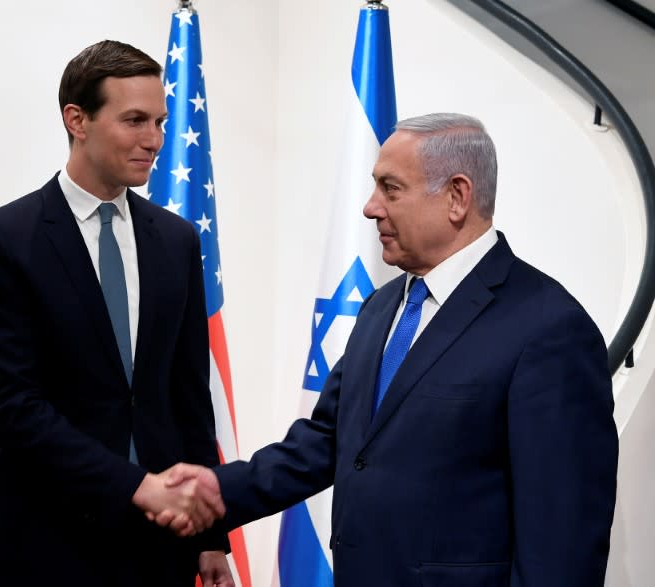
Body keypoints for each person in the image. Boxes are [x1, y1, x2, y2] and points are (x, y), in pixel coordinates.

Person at [162, 113, 619, 586]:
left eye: (391, 189)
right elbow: (327, 442)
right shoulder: (383, 307)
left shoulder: (549, 327)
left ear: (457, 197)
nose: (370, 207)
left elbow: (562, 542)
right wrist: (218, 489)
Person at [0, 40, 232, 587]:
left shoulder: (177, 242)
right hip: (43, 542)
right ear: (77, 119)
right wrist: (135, 485)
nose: (154, 140)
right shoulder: (3, 240)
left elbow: (188, 399)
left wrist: (209, 538)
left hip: (159, 547)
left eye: (159, 121)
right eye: (134, 120)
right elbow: (11, 409)